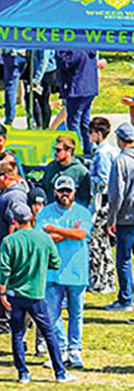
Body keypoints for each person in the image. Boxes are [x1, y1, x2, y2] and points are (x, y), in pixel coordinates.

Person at [0, 205, 76, 383]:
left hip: (15, 294)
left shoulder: (9, 241)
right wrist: (40, 265)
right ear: (31, 218)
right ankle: (60, 372)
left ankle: (23, 373)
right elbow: (55, 263)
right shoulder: (44, 238)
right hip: (36, 293)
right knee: (49, 332)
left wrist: (2, 292)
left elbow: (4, 269)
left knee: (17, 334)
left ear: (14, 221)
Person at [37, 175, 92, 369]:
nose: (65, 194)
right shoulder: (45, 213)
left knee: (76, 314)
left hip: (77, 272)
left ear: (74, 192)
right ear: (55, 192)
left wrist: (55, 230)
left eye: (68, 191)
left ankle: (75, 350)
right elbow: (44, 239)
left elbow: (81, 234)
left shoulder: (83, 212)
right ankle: (59, 350)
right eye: (61, 191)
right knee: (52, 314)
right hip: (53, 272)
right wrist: (67, 232)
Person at [0, 155, 29, 335]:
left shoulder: (16, 195)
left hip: (8, 250)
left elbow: (16, 223)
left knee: (6, 284)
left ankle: (8, 322)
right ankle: (3, 320)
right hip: (0, 247)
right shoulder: (5, 193)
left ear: (5, 177)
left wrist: (9, 248)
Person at [104, 122, 134, 311]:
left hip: (126, 217)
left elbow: (116, 195)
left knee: (123, 260)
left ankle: (125, 299)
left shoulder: (120, 161)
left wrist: (111, 220)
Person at [87, 116, 116, 294]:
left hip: (101, 202)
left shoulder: (102, 153)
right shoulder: (110, 151)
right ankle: (107, 280)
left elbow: (103, 180)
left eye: (91, 133)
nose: (89, 136)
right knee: (103, 242)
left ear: (98, 134)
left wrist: (88, 178)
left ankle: (100, 281)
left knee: (96, 241)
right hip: (107, 202)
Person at [56, 49, 98, 156]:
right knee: (85, 121)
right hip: (89, 88)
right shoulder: (89, 46)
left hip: (77, 89)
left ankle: (78, 150)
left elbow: (66, 64)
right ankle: (88, 148)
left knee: (74, 122)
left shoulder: (76, 48)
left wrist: (58, 51)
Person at [41, 136, 91, 207]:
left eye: (58, 150)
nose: (55, 153)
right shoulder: (51, 167)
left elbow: (85, 198)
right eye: (54, 149)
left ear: (69, 151)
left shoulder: (80, 171)